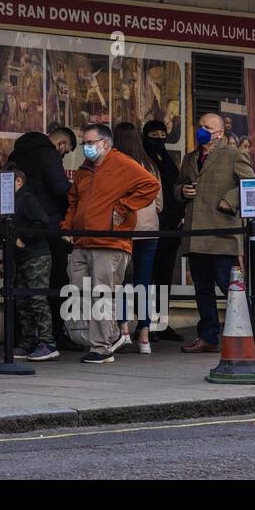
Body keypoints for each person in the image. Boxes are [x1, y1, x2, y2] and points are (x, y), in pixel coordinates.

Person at [61, 123, 159, 364]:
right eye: (84, 143)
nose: (85, 147)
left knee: (101, 293)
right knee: (82, 291)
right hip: (83, 240)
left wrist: (123, 207)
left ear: (105, 143)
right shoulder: (85, 170)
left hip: (110, 242)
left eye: (89, 142)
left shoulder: (122, 163)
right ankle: (111, 335)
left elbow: (151, 185)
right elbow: (74, 200)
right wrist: (68, 226)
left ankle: (102, 347)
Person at [176, 113, 253, 354]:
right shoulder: (190, 158)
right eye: (200, 126)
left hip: (222, 234)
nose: (202, 131)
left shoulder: (233, 154)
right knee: (202, 288)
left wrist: (229, 200)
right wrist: (182, 191)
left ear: (219, 133)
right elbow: (178, 185)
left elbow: (250, 185)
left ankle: (249, 331)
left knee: (228, 286)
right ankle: (207, 336)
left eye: (207, 128)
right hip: (196, 233)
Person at [10, 126, 77, 350]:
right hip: (48, 227)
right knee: (55, 282)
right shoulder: (49, 154)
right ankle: (53, 336)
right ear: (62, 145)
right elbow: (60, 188)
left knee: (22, 287)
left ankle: (24, 338)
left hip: (21, 227)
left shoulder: (16, 154)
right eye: (65, 151)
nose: (63, 154)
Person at [112, 123, 163, 354]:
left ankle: (123, 330)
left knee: (122, 282)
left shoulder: (116, 165)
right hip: (150, 229)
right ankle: (144, 334)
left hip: (123, 229)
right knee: (144, 282)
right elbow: (160, 203)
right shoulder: (150, 166)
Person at [5, 163, 58, 361]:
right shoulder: (12, 201)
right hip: (23, 257)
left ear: (18, 181)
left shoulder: (26, 198)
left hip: (36, 256)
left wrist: (24, 238)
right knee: (23, 301)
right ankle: (29, 341)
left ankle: (47, 342)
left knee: (37, 300)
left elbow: (42, 221)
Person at [142, 119, 184, 341]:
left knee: (164, 277)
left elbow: (176, 189)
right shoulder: (144, 161)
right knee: (147, 276)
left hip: (170, 227)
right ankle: (146, 323)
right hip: (152, 226)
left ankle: (161, 322)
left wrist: (179, 216)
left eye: (162, 133)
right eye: (154, 134)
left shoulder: (168, 161)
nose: (159, 138)